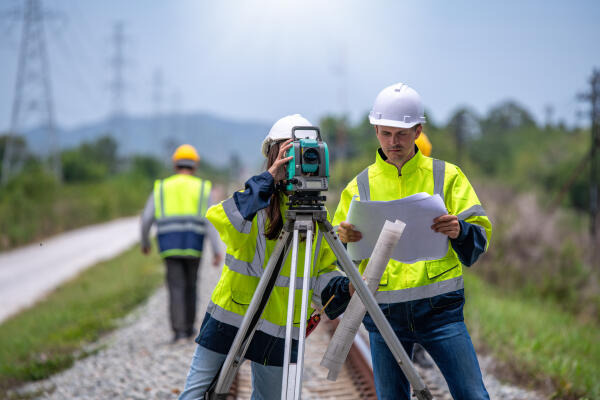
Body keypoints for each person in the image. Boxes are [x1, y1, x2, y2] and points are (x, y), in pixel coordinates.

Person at [333, 83, 492, 399]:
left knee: (473, 395)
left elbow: (480, 236)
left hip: (440, 310)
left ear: (418, 130)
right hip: (384, 313)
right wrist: (345, 241)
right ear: (376, 130)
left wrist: (459, 229)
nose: (394, 142)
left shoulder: (448, 176)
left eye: (402, 134)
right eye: (386, 133)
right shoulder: (358, 186)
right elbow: (341, 259)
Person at [179, 114, 351, 400]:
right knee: (194, 395)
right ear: (274, 154)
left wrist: (344, 288)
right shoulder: (253, 202)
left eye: (305, 152)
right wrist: (269, 179)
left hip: (280, 329)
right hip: (232, 317)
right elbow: (223, 219)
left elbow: (320, 274)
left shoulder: (317, 218)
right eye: (289, 151)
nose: (297, 159)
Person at [141, 144, 223, 343]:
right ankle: (189, 329)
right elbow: (210, 221)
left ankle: (178, 332)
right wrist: (216, 249)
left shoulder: (161, 187)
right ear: (194, 165)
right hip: (193, 243)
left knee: (176, 286)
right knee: (191, 285)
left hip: (169, 245)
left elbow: (146, 218)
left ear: (175, 165)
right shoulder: (203, 188)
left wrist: (145, 242)